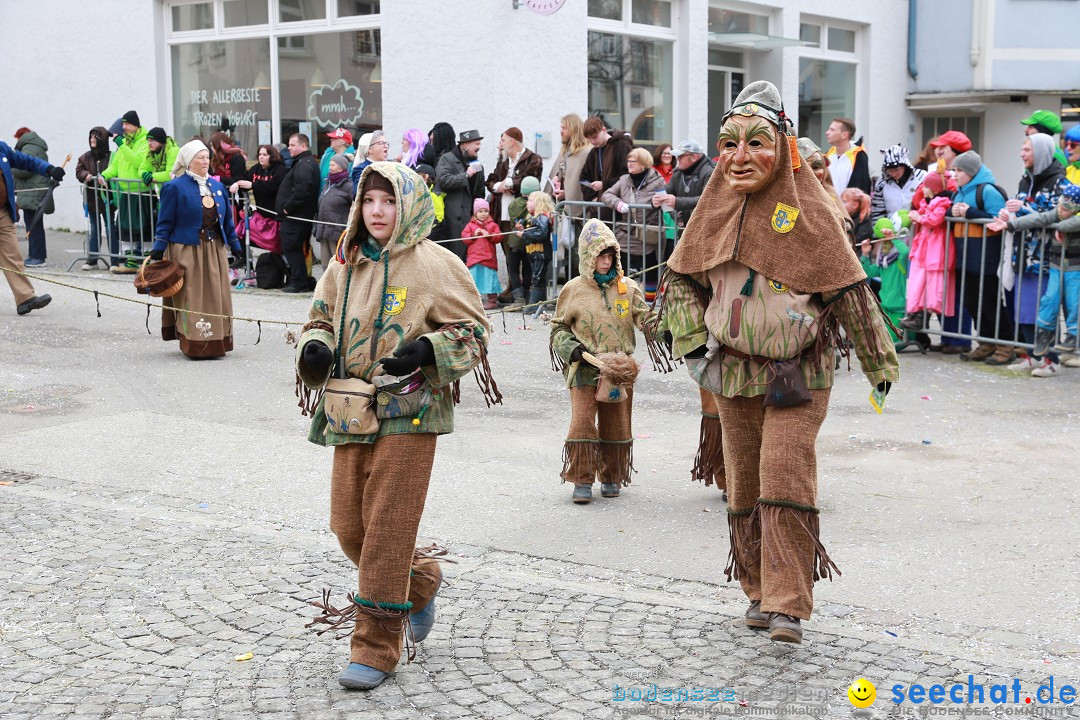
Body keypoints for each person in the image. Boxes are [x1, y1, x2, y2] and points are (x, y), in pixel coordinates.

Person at [658, 81, 898, 644]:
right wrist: (694, 350)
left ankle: (789, 602)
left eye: (756, 142)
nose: (740, 157)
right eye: (729, 143)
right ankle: (758, 589)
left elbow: (849, 290)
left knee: (784, 472)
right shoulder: (712, 210)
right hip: (732, 371)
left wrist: (879, 363)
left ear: (782, 145)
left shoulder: (812, 210)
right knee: (743, 483)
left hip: (798, 373)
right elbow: (679, 284)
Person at [294, 162, 496, 691]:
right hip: (351, 411)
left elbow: (474, 333)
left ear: (406, 204)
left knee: (385, 532)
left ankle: (376, 647)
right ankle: (422, 581)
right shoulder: (345, 262)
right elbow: (319, 316)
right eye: (369, 201)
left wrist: (429, 348)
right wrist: (315, 348)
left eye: (387, 201)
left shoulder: (436, 265)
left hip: (411, 413)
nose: (377, 211)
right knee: (349, 527)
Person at [550, 220, 657, 505]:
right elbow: (558, 328)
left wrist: (662, 328)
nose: (605, 261)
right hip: (585, 367)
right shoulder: (572, 290)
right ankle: (582, 479)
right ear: (587, 256)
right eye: (599, 255)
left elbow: (643, 318)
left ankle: (611, 476)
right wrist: (571, 348)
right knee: (582, 423)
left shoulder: (628, 288)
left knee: (617, 424)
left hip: (619, 368)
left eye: (610, 255)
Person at [149, 139, 242, 358]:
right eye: (200, 157)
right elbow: (165, 221)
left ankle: (217, 340)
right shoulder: (174, 187)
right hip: (186, 249)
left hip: (214, 249)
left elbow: (227, 221)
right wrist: (158, 247)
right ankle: (193, 341)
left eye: (207, 157)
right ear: (189, 161)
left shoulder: (217, 187)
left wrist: (236, 246)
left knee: (217, 294)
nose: (205, 161)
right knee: (191, 294)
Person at [989, 182, 1080, 376]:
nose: (1060, 211)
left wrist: (1060, 227)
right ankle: (1042, 337)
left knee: (1073, 303)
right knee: (1049, 301)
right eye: (1061, 207)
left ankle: (1071, 337)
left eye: (1066, 209)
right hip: (1056, 266)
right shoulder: (1058, 214)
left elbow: (1075, 222)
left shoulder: (1073, 219)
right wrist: (1011, 224)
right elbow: (1039, 218)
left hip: (1074, 269)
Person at [994, 133, 1066, 373]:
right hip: (1022, 255)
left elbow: (1058, 213)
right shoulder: (1026, 179)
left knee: (1043, 310)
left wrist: (1024, 209)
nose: (1022, 153)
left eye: (1027, 149)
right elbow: (1020, 207)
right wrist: (1009, 214)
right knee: (1023, 308)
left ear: (1042, 152)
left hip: (1045, 257)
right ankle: (1031, 354)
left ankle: (1051, 360)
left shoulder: (1059, 181)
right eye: (1022, 149)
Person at [947, 150, 1015, 365]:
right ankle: (986, 343)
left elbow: (999, 219)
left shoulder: (988, 190)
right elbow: (954, 214)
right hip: (965, 256)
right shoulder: (959, 191)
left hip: (986, 256)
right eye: (954, 170)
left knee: (990, 301)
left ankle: (1005, 345)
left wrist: (970, 213)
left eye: (959, 170)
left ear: (971, 172)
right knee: (972, 301)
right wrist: (953, 210)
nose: (954, 174)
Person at [0, 138, 60, 314]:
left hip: (3, 212)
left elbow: (25, 160)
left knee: (13, 256)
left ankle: (25, 298)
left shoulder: (2, 148)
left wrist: (49, 169)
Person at [928, 130, 975, 354]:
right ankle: (948, 336)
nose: (938, 151)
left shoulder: (963, 177)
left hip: (959, 241)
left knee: (959, 292)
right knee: (944, 291)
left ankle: (960, 339)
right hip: (944, 242)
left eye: (943, 148)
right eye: (937, 147)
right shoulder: (939, 172)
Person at [485, 128, 543, 306]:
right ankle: (513, 289)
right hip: (502, 216)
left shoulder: (533, 159)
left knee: (524, 256)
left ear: (512, 141)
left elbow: (530, 181)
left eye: (502, 140)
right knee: (509, 254)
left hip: (522, 216)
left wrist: (510, 183)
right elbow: (491, 180)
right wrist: (498, 187)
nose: (499, 144)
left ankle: (523, 293)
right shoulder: (503, 161)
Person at [602, 147, 666, 299]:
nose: (629, 164)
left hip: (648, 235)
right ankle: (621, 300)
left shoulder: (657, 181)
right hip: (625, 233)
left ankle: (650, 304)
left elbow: (667, 203)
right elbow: (607, 194)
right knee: (620, 269)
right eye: (628, 161)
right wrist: (617, 203)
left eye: (633, 161)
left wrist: (660, 200)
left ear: (644, 164)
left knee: (650, 270)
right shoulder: (624, 180)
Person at [900, 170, 956, 335]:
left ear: (933, 188)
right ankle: (915, 314)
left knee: (932, 285)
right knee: (919, 282)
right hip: (925, 246)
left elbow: (934, 220)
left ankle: (921, 317)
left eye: (925, 186)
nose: (922, 189)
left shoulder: (942, 202)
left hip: (936, 247)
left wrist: (919, 218)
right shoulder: (927, 203)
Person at [101, 111, 151, 274]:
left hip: (142, 193)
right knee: (126, 228)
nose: (123, 127)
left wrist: (122, 145)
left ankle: (146, 262)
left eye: (127, 124)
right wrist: (104, 175)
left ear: (135, 125)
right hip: (126, 193)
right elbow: (115, 166)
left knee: (143, 228)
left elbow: (138, 162)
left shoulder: (144, 141)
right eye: (123, 124)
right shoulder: (122, 143)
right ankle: (131, 262)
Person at [549, 113, 592, 278]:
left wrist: (570, 193)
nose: (561, 131)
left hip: (583, 212)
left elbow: (585, 182)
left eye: (564, 127)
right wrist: (556, 188)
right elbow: (561, 177)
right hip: (565, 211)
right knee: (567, 253)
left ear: (573, 129)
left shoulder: (587, 152)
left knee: (580, 254)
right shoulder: (565, 153)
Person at [276, 133, 320, 293]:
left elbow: (301, 191)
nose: (289, 148)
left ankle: (299, 282)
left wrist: (287, 208)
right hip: (297, 215)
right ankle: (301, 280)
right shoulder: (303, 162)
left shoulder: (305, 164)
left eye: (292, 145)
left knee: (292, 248)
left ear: (303, 146)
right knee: (293, 248)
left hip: (296, 216)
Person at [435, 129, 485, 260]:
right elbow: (443, 180)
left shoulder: (477, 164)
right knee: (453, 260)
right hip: (451, 223)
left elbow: (480, 192)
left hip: (471, 223)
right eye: (476, 144)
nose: (479, 147)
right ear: (465, 144)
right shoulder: (447, 159)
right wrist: (466, 175)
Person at [231, 144, 287, 254]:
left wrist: (253, 185)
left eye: (265, 155)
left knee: (277, 246)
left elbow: (273, 186)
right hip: (261, 213)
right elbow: (244, 178)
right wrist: (237, 184)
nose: (261, 157)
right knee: (241, 229)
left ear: (272, 156)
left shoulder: (280, 170)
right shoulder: (256, 168)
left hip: (276, 215)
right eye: (260, 154)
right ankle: (244, 259)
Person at [76, 126, 119, 270]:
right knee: (94, 229)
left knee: (110, 229)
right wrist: (85, 175)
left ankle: (114, 260)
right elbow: (79, 170)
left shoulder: (112, 156)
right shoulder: (86, 156)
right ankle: (92, 260)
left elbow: (115, 171)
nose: (92, 140)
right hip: (92, 199)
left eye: (96, 137)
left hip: (107, 199)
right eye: (91, 137)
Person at [859, 222, 910, 343]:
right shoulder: (883, 262)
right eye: (882, 242)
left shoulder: (900, 259)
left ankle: (913, 337)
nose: (883, 245)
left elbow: (905, 252)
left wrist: (894, 238)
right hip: (885, 309)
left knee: (888, 341)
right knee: (873, 337)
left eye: (886, 242)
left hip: (900, 310)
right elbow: (867, 273)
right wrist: (865, 254)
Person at [580, 118, 633, 223]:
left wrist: (604, 184)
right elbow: (583, 178)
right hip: (599, 210)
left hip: (619, 210)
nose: (592, 141)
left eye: (595, 137)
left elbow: (627, 176)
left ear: (603, 130)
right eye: (589, 139)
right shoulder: (593, 152)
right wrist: (592, 199)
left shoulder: (621, 146)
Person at [653, 141, 716, 230]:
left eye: (681, 156)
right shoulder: (678, 173)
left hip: (707, 228)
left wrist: (677, 202)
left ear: (694, 157)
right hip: (686, 228)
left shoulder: (710, 172)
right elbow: (666, 192)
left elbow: (708, 199)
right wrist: (656, 200)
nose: (677, 159)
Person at [12, 128, 52, 267]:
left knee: (33, 226)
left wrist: (9, 167)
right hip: (34, 192)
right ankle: (33, 255)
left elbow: (24, 169)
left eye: (17, 138)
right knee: (33, 225)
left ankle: (38, 257)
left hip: (33, 193)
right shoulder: (36, 146)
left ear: (21, 136)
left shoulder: (29, 148)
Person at [517, 190, 555, 310]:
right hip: (534, 252)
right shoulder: (533, 218)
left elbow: (541, 234)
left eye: (530, 200)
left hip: (540, 252)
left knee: (537, 277)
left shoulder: (541, 217)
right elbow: (534, 231)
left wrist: (524, 235)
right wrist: (524, 229)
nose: (527, 203)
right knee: (539, 277)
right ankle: (540, 304)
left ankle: (534, 305)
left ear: (539, 203)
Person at [462, 197, 502, 309]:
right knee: (474, 279)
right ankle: (475, 301)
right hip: (474, 259)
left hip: (489, 259)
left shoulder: (492, 225)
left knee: (490, 279)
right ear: (475, 213)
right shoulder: (470, 225)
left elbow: (499, 237)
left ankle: (492, 300)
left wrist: (489, 235)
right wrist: (473, 235)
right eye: (480, 211)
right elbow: (464, 238)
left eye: (486, 211)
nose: (483, 214)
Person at [314, 154, 354, 268]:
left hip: (338, 231)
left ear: (341, 167)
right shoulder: (327, 184)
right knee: (325, 264)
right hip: (323, 229)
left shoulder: (349, 186)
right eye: (330, 164)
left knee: (338, 264)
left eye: (333, 165)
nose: (330, 167)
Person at [871, 145, 926, 223]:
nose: (893, 174)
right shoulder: (881, 184)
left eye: (897, 170)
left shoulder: (921, 177)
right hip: (891, 230)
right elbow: (878, 212)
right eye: (890, 171)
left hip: (917, 227)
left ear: (905, 166)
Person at [824, 117, 871, 195]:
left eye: (832, 130)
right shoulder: (827, 155)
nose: (827, 132)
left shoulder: (859, 156)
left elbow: (861, 188)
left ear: (844, 135)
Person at [350, 130, 388, 194]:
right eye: (381, 143)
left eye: (386, 143)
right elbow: (357, 195)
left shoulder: (388, 167)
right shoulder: (361, 169)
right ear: (369, 149)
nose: (386, 146)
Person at [414, 163, 445, 241]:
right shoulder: (419, 194)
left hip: (431, 234)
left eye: (418, 176)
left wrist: (426, 231)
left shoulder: (434, 195)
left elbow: (438, 217)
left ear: (426, 177)